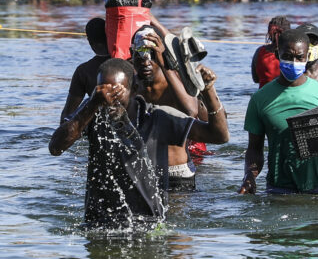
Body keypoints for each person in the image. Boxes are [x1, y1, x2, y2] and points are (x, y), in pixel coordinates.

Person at [49, 58, 229, 227]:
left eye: (117, 91)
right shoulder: (93, 114)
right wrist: (92, 104)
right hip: (99, 222)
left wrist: (208, 91)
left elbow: (219, 136)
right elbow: (56, 147)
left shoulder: (158, 119)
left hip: (147, 223)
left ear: (135, 89)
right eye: (103, 91)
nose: (110, 99)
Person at [238, 29, 318, 195]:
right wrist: (249, 176)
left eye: (300, 57)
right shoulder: (260, 99)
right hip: (277, 190)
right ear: (278, 54)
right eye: (287, 56)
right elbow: (254, 148)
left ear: (307, 57)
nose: (294, 62)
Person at [130, 25, 214, 190]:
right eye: (141, 55)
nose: (146, 62)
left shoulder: (173, 79)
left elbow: (191, 111)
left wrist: (163, 64)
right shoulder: (129, 83)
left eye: (152, 56)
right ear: (131, 54)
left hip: (176, 170)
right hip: (140, 168)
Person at [60, 18, 110, 122]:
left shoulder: (83, 71)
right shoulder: (129, 63)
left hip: (98, 128)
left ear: (89, 41)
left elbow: (68, 113)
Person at [251, 16, 291, 88]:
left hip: (263, 96)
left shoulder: (259, 52)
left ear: (270, 33)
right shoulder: (294, 52)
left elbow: (256, 79)